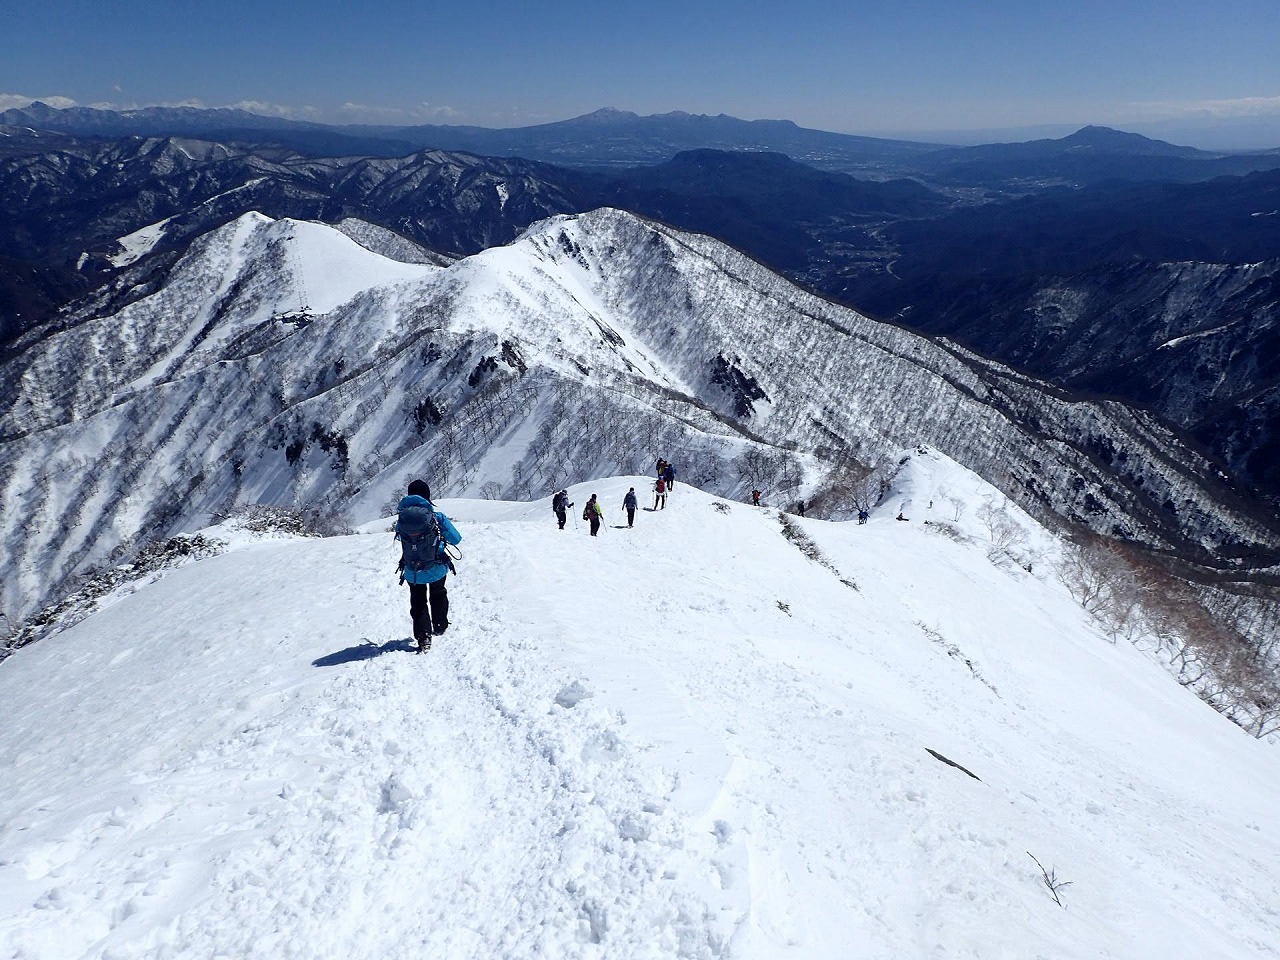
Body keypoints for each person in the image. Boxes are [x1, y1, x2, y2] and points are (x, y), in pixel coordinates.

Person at [396, 479, 462, 652]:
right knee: (438, 593)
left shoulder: (402, 518)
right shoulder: (436, 517)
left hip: (412, 569)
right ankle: (439, 625)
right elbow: (456, 539)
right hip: (436, 565)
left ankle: (424, 636)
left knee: (418, 600)